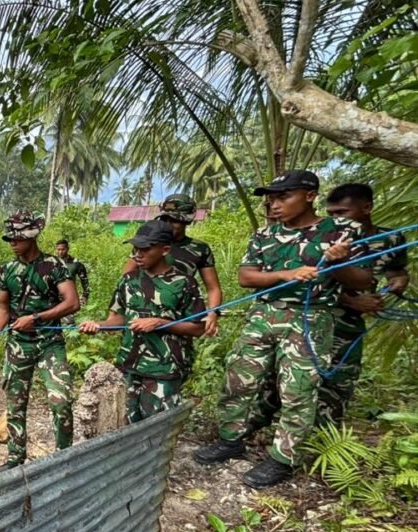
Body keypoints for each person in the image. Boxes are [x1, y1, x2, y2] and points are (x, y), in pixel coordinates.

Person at [193, 170, 373, 489]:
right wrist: (286, 275)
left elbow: (363, 281)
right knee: (239, 378)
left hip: (311, 317)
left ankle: (283, 459)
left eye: (282, 197)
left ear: (309, 195)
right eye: (271, 199)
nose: (274, 205)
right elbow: (247, 277)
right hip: (264, 313)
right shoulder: (265, 235)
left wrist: (338, 264)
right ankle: (230, 439)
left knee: (299, 389)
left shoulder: (343, 231)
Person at [0, 211, 79, 473]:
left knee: (61, 400)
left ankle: (63, 458)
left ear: (32, 237)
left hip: (49, 343)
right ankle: (15, 456)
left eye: (17, 237)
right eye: (9, 238)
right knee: (15, 402)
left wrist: (35, 317)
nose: (12, 242)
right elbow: (3, 307)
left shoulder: (54, 266)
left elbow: (72, 302)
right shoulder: (6, 269)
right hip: (18, 345)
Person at [79, 221, 206, 422]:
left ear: (165, 249)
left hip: (164, 370)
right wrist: (99, 325)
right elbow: (119, 318)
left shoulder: (184, 283)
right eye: (135, 249)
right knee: (124, 424)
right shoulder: (128, 280)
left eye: (145, 249)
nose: (138, 254)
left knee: (157, 428)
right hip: (129, 366)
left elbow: (198, 328)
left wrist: (160, 323)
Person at [320, 183, 409, 421]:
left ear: (367, 208)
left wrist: (397, 284)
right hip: (318, 317)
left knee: (340, 378)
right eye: (331, 214)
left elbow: (397, 271)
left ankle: (324, 433)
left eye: (341, 213)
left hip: (350, 325)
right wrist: (350, 300)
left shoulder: (391, 239)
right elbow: (302, 283)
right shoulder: (324, 238)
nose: (336, 219)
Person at [123, 194, 223, 336]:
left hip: (180, 314)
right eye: (165, 220)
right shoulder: (149, 244)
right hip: (144, 311)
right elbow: (126, 278)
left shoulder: (199, 249)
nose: (169, 225)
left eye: (175, 221)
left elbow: (213, 288)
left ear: (186, 222)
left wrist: (212, 313)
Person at [54, 239, 90, 324]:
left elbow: (84, 281)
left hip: (69, 297)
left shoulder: (76, 263)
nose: (60, 252)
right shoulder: (53, 262)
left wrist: (85, 295)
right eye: (58, 249)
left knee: (69, 323)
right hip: (54, 296)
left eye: (62, 249)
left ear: (67, 249)